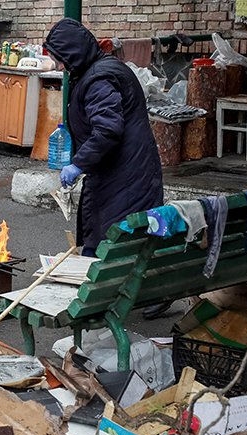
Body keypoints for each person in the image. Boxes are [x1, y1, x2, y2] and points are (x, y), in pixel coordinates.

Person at [44, 18, 164, 256]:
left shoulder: (99, 79)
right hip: (125, 172)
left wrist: (78, 164)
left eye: (59, 60)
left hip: (125, 177)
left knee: (109, 248)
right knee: (113, 242)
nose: (59, 67)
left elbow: (108, 129)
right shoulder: (101, 69)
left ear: (73, 53)